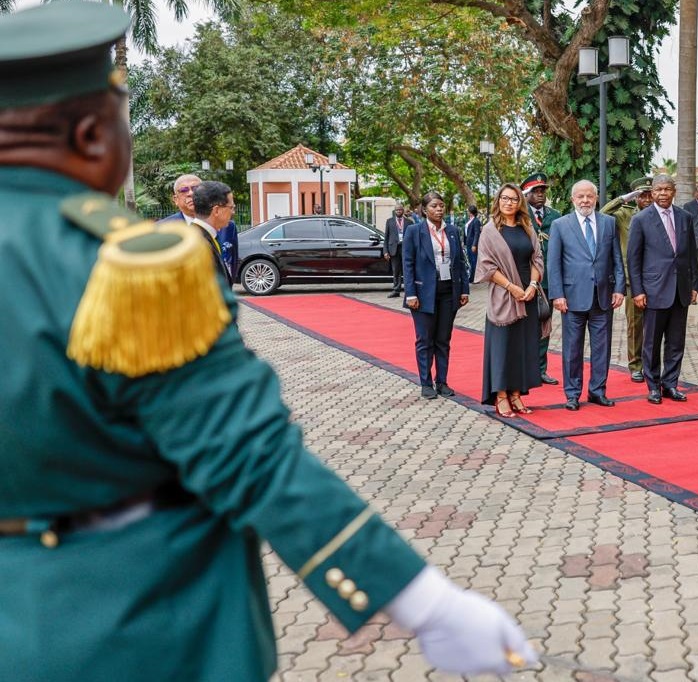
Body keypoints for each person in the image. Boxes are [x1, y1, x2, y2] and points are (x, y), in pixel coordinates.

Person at [0, 4, 536, 680]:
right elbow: (250, 456)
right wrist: (428, 605)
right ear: (90, 135)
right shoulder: (127, 268)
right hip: (142, 626)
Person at [548, 180, 625, 411]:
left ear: (596, 198)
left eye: (589, 196)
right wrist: (557, 294)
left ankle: (597, 391)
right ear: (573, 199)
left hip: (603, 297)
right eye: (580, 196)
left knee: (602, 348)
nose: (585, 201)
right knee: (572, 349)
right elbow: (553, 264)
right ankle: (572, 394)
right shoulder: (560, 225)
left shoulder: (609, 223)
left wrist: (619, 288)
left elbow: (617, 259)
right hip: (572, 298)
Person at [476, 184, 548, 417]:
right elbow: (487, 266)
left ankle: (516, 394)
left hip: (528, 293)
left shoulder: (527, 227)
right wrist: (512, 288)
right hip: (504, 294)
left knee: (522, 346)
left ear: (520, 203)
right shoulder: (490, 230)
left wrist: (532, 286)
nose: (509, 203)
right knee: (502, 346)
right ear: (498, 201)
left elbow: (537, 259)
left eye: (514, 199)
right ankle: (501, 395)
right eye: (505, 198)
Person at [627, 174, 698, 404]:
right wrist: (638, 291)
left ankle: (670, 385)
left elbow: (691, 255)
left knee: (676, 342)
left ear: (674, 191)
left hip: (680, 290)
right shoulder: (641, 219)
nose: (663, 194)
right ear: (652, 192)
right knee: (651, 342)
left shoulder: (685, 217)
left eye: (667, 189)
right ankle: (653, 387)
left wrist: (694, 286)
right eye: (658, 190)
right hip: (653, 291)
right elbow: (633, 259)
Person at [403, 192, 471, 399]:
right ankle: (426, 383)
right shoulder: (414, 231)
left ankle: (442, 381)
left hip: (448, 291)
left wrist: (464, 289)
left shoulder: (452, 231)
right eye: (434, 206)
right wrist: (410, 293)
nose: (439, 209)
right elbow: (408, 264)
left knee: (443, 339)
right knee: (425, 340)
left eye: (441, 205)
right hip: (423, 293)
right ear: (424, 210)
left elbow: (460, 262)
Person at [602, 176, 654, 382]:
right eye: (642, 196)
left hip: (656, 279)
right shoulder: (625, 215)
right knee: (636, 325)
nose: (647, 200)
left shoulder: (659, 215)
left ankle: (652, 364)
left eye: (650, 195)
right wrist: (624, 199)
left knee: (655, 325)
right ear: (636, 197)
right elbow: (602, 214)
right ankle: (636, 365)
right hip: (633, 279)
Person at [159, 173, 238, 282]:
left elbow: (232, 263)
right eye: (184, 190)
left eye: (196, 189)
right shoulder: (163, 229)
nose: (190, 193)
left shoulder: (227, 225)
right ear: (176, 199)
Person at [522, 172, 561, 385]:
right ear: (526, 194)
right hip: (524, 281)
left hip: (547, 281)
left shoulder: (555, 216)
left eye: (543, 191)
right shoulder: (520, 215)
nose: (540, 194)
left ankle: (540, 369)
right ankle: (524, 369)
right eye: (535, 191)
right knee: (525, 326)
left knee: (544, 324)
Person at [190, 181, 236, 282]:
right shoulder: (198, 244)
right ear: (216, 210)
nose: (233, 212)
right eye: (231, 207)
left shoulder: (201, 236)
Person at [383, 205, 408, 297]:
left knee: (407, 270)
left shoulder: (409, 222)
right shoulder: (389, 221)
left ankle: (408, 290)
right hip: (393, 249)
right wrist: (385, 251)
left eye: (400, 210)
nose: (398, 211)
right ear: (394, 211)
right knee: (396, 271)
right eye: (397, 210)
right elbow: (386, 237)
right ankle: (396, 290)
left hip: (405, 248)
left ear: (403, 211)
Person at [465, 205, 482, 278]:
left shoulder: (476, 221)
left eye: (468, 210)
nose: (467, 211)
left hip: (473, 244)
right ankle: (472, 276)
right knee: (470, 260)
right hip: (468, 243)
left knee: (474, 260)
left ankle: (475, 277)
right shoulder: (469, 220)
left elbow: (476, 233)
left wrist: (474, 244)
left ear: (470, 212)